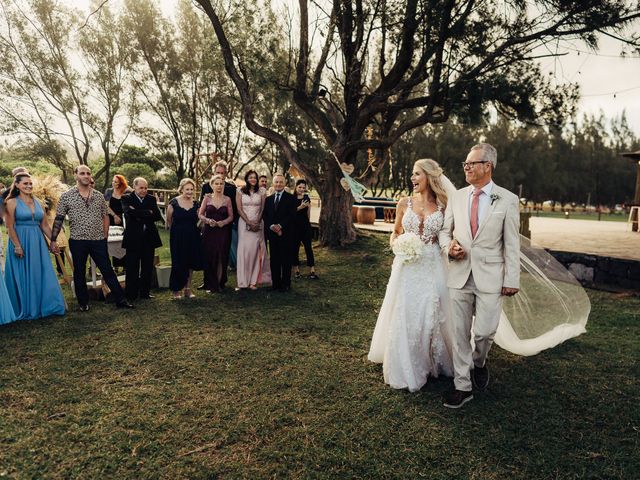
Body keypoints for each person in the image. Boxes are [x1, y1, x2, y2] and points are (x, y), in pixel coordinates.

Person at [439, 143, 520, 409]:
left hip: (491, 276)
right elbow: (444, 231)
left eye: (472, 163)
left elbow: (512, 243)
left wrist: (512, 279)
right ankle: (462, 386)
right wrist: (448, 246)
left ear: (488, 166)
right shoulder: (458, 197)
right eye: (465, 163)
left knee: (485, 333)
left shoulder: (507, 199)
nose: (466, 167)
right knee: (459, 332)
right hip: (459, 275)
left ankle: (480, 362)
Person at [368, 159, 453, 392]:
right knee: (406, 311)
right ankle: (406, 362)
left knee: (432, 310)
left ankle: (432, 359)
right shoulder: (404, 203)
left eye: (417, 174)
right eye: (412, 175)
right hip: (407, 266)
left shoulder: (444, 205)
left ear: (429, 177)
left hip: (433, 265)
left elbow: (447, 235)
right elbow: (395, 232)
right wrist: (399, 245)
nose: (413, 179)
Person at [51, 165, 134, 311]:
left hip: (98, 240)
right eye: (82, 173)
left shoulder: (98, 196)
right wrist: (53, 239)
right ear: (75, 175)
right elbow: (58, 219)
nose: (86, 176)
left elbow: (105, 216)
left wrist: (105, 234)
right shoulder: (66, 196)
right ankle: (83, 303)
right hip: (78, 240)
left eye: (88, 173)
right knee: (79, 272)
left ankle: (121, 299)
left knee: (107, 269)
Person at [3, 173, 66, 320]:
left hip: (37, 243)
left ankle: (45, 305)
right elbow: (9, 227)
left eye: (30, 183)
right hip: (20, 240)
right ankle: (25, 306)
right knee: (23, 273)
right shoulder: (11, 202)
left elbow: (44, 225)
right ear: (17, 185)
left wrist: (53, 241)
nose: (29, 186)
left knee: (40, 272)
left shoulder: (38, 202)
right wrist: (17, 246)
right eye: (25, 183)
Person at [121, 177, 163, 302]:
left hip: (148, 238)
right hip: (133, 238)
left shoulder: (151, 199)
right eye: (141, 188)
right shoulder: (126, 198)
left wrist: (138, 212)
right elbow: (128, 213)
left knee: (147, 267)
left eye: (146, 188)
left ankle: (145, 292)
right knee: (132, 267)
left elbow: (156, 216)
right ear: (134, 187)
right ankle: (131, 294)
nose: (144, 190)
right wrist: (147, 212)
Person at [199, 161, 239, 277]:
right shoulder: (206, 187)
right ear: (213, 173)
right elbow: (201, 208)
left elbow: (234, 210)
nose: (220, 175)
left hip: (225, 227)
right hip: (209, 227)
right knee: (208, 253)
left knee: (223, 254)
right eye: (217, 172)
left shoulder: (231, 188)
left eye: (222, 173)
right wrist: (206, 221)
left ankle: (222, 279)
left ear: (226, 174)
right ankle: (208, 280)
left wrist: (226, 222)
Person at [166, 178, 202, 299]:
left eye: (191, 189)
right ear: (181, 189)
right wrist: (176, 231)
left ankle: (187, 289)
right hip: (177, 237)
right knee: (178, 262)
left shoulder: (196, 203)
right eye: (187, 189)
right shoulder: (174, 202)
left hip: (193, 236)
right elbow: (169, 220)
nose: (189, 191)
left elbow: (199, 219)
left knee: (190, 262)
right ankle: (176, 290)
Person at [236, 170, 271, 290]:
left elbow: (263, 208)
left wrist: (257, 222)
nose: (253, 179)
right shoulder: (240, 191)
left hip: (258, 223)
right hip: (244, 224)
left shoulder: (261, 191)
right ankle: (242, 281)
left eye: (255, 177)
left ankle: (253, 281)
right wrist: (249, 222)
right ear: (246, 178)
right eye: (250, 177)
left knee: (256, 251)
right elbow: (239, 209)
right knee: (244, 251)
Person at [199, 174, 233, 292]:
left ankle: (218, 283)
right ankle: (210, 283)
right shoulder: (207, 198)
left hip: (222, 232)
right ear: (212, 185)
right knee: (209, 256)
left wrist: (223, 222)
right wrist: (208, 221)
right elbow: (200, 214)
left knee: (220, 257)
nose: (219, 186)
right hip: (209, 231)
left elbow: (231, 216)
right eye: (216, 184)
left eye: (221, 183)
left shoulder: (227, 199)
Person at [263, 173, 297, 292]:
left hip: (286, 233)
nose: (278, 184)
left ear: (285, 183)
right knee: (274, 259)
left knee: (286, 259)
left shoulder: (291, 198)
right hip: (272, 234)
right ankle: (275, 283)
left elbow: (292, 215)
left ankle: (286, 283)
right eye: (276, 182)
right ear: (273, 183)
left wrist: (280, 226)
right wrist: (272, 226)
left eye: (281, 182)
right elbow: (265, 216)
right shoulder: (268, 200)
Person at [292, 179, 318, 280]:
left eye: (303, 187)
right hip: (294, 227)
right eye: (300, 187)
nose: (302, 189)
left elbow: (308, 213)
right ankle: (296, 270)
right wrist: (300, 207)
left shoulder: (307, 198)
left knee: (308, 248)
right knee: (295, 248)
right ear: (296, 187)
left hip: (305, 226)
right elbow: (290, 213)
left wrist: (308, 225)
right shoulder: (291, 198)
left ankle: (312, 270)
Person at [104, 174, 130, 271]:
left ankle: (125, 265)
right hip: (112, 219)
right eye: (113, 181)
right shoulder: (109, 191)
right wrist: (115, 216)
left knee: (123, 241)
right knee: (113, 241)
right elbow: (106, 206)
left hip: (124, 219)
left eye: (115, 181)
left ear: (120, 183)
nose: (113, 183)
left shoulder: (126, 191)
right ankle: (115, 266)